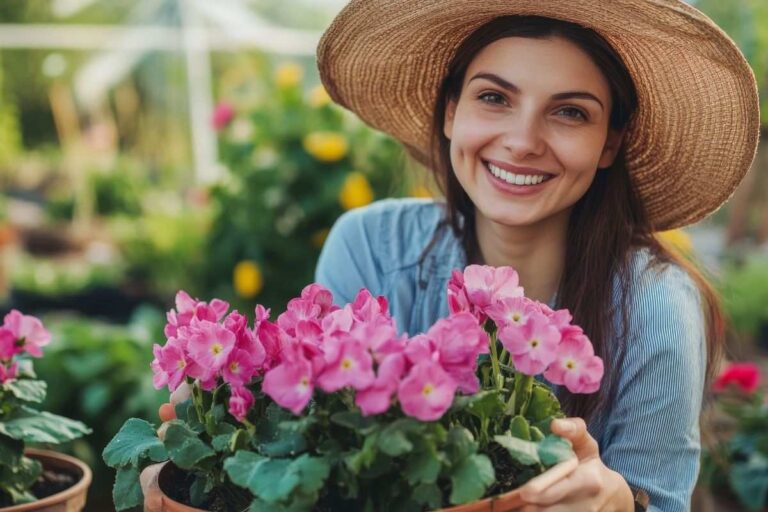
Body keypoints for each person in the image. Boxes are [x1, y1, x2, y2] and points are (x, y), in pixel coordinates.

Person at [310, 1, 760, 511]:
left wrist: (622, 503)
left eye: (570, 112)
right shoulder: (369, 248)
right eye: (494, 97)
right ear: (451, 112)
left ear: (610, 142)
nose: (522, 143)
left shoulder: (655, 307)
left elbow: (658, 501)